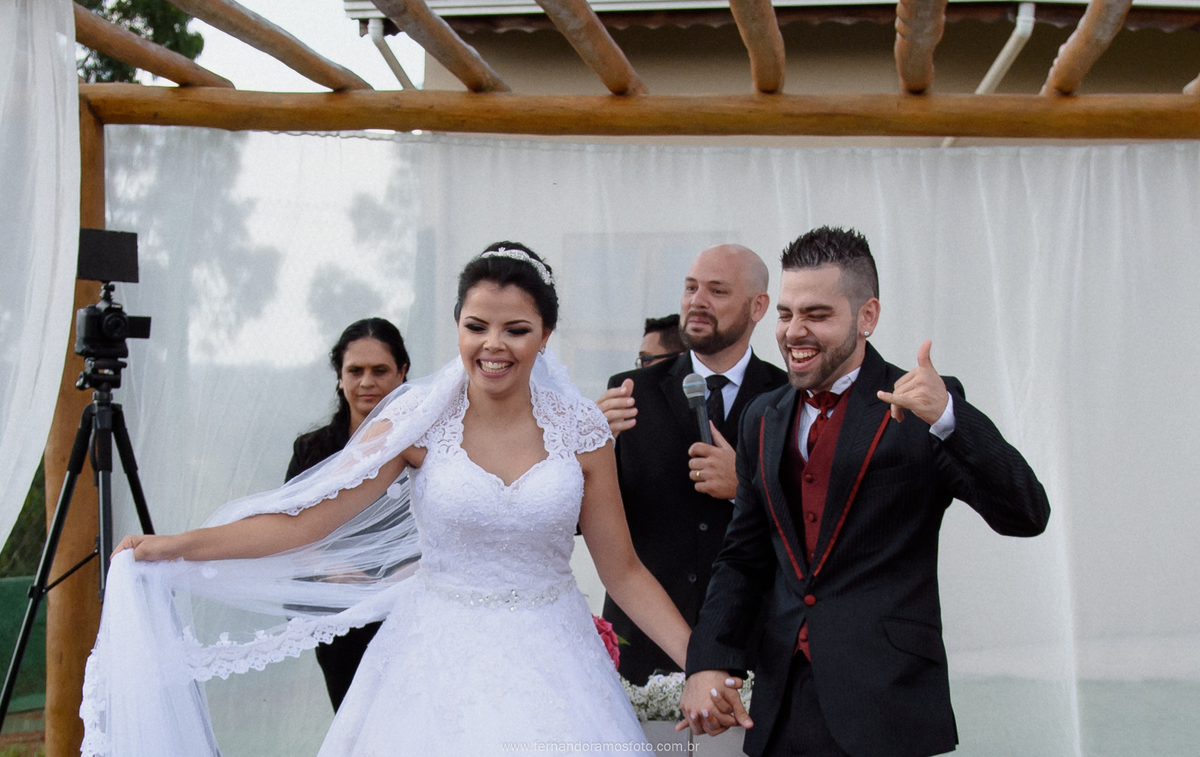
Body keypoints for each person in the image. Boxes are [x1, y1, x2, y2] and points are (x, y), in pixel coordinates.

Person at [84, 242, 692, 757]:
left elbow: (625, 571)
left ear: (546, 335)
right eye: (476, 326)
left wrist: (704, 660)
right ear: (457, 324)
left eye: (516, 329)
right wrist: (177, 547)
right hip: (433, 663)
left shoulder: (582, 431)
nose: (493, 346)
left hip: (557, 663)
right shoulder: (417, 423)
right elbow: (305, 521)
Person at [679, 227, 1051, 757]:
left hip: (888, 703)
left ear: (867, 316)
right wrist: (708, 660)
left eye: (818, 315)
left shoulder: (926, 407)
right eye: (785, 315)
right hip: (782, 707)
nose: (793, 332)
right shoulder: (763, 416)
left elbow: (1026, 512)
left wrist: (949, 416)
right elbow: (743, 557)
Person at [597, 245, 788, 685]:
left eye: (717, 291)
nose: (696, 302)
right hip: (643, 647)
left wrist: (745, 486)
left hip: (751, 648)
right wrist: (590, 448)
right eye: (690, 288)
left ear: (758, 306)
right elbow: (578, 519)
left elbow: (816, 523)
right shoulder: (630, 393)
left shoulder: (787, 398)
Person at [286, 318, 410, 711]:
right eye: (355, 371)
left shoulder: (426, 448)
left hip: (408, 613)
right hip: (338, 616)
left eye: (380, 370)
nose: (367, 382)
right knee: (353, 725)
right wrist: (331, 565)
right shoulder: (313, 450)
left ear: (402, 372)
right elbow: (288, 531)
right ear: (339, 377)